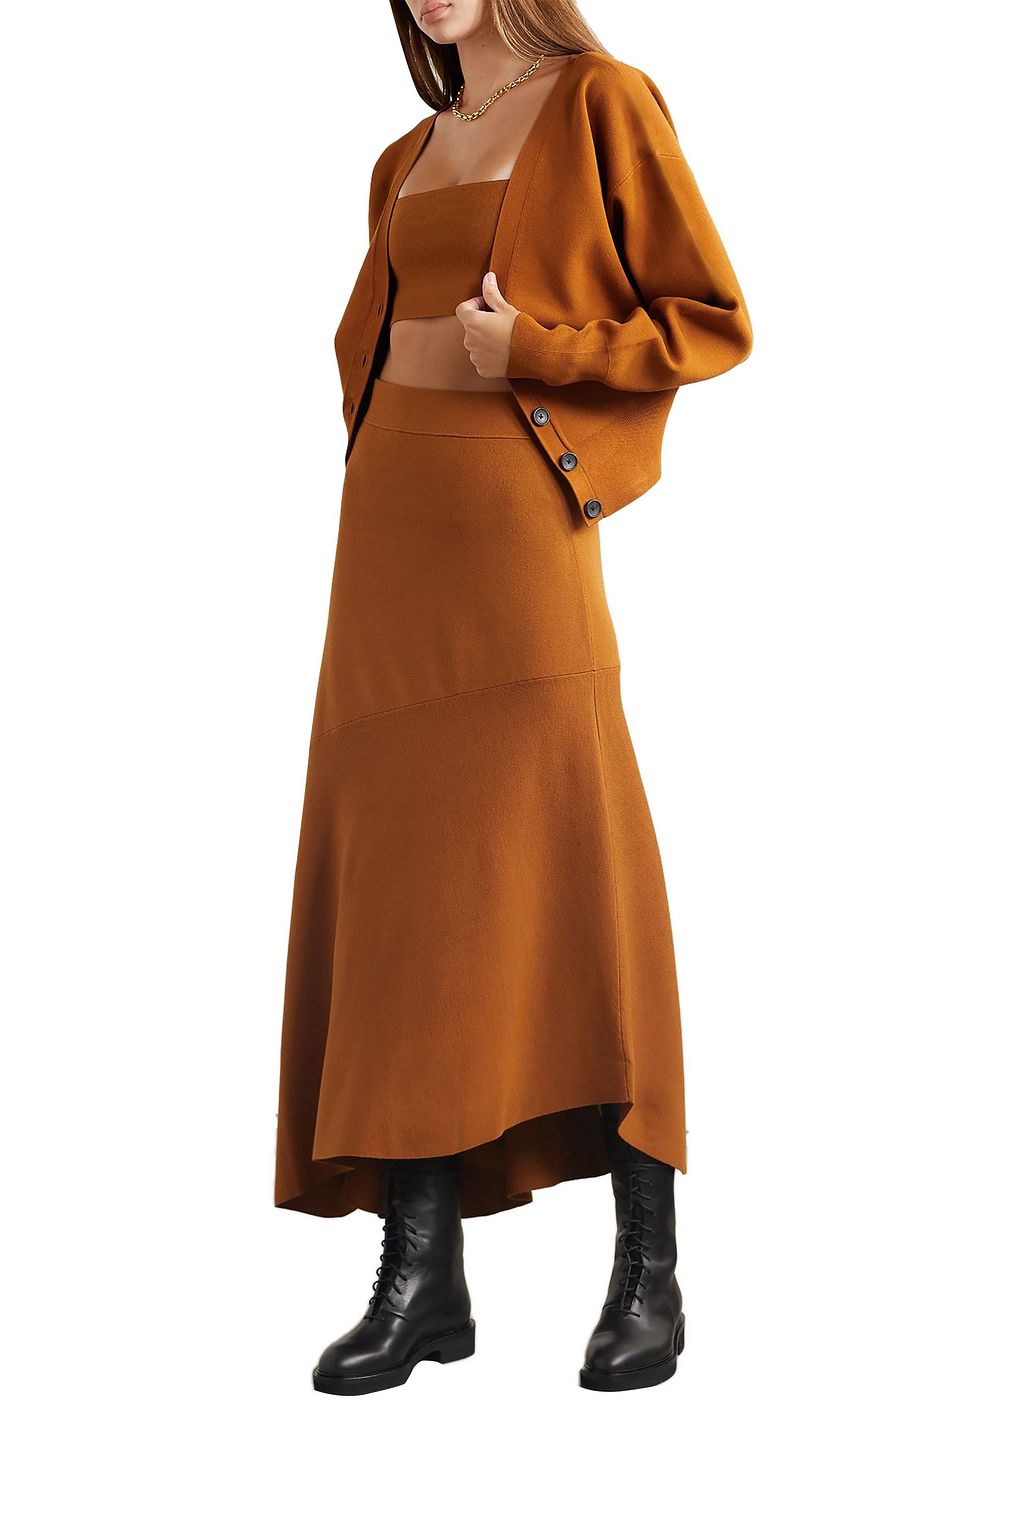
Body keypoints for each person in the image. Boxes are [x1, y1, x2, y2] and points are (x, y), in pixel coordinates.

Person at [274, 0, 752, 1395]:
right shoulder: (407, 151)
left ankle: (648, 1270)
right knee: (401, 892)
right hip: (389, 539)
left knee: (576, 863)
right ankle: (423, 1276)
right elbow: (372, 349)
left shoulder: (605, 100)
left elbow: (708, 318)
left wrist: (539, 350)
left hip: (514, 532)